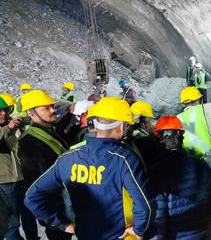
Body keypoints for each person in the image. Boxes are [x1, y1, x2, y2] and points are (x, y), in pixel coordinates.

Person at [24, 97, 152, 240]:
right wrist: (139, 230)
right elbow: (143, 204)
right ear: (121, 126)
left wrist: (62, 224)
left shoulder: (67, 158)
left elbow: (32, 197)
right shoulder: (124, 159)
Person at [144, 116, 211, 239]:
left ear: (159, 139)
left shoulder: (156, 172)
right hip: (203, 233)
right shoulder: (203, 165)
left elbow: (158, 218)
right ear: (181, 137)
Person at [17, 90, 71, 240]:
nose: (53, 110)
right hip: (57, 212)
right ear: (31, 113)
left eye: (52, 106)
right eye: (46, 108)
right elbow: (37, 187)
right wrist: (55, 219)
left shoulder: (48, 131)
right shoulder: (29, 143)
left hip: (63, 206)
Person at [0, 97, 24, 240]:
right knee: (11, 221)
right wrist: (8, 128)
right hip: (4, 181)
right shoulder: (5, 128)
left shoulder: (8, 127)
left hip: (15, 178)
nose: (3, 113)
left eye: (5, 110)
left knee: (12, 220)